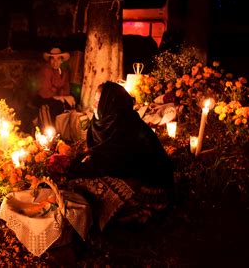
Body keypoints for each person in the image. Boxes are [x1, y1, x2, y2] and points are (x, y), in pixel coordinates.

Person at [69, 81, 174, 230]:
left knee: (89, 185)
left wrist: (81, 166)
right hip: (122, 173)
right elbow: (101, 152)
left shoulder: (128, 126)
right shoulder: (102, 122)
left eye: (99, 101)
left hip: (149, 183)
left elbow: (117, 164)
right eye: (95, 99)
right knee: (83, 184)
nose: (94, 104)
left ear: (111, 104)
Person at [33, 48, 75, 126]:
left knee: (72, 102)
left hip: (57, 98)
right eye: (52, 59)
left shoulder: (64, 72)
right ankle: (49, 128)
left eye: (58, 59)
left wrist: (63, 96)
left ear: (62, 60)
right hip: (43, 98)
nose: (55, 62)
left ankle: (63, 128)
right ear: (49, 60)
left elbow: (66, 89)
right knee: (55, 105)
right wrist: (59, 96)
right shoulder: (46, 70)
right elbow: (44, 92)